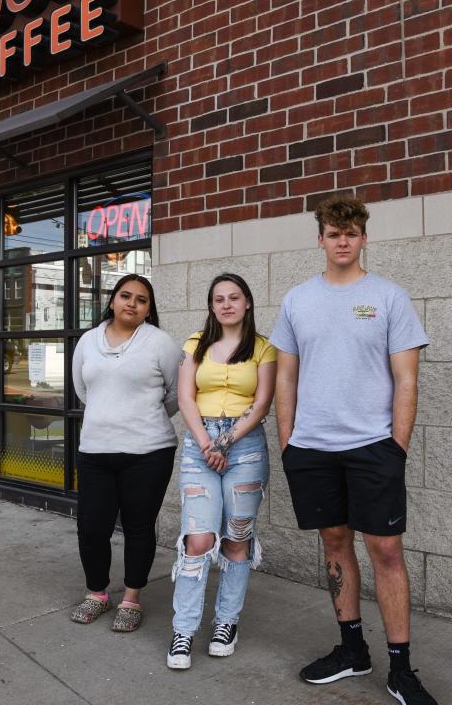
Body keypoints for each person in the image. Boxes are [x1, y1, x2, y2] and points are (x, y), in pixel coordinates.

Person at [270, 195, 436, 705]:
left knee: (385, 549)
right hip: (312, 448)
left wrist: (396, 448)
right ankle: (351, 650)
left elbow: (406, 379)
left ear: (364, 238)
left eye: (352, 233)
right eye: (333, 233)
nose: (343, 241)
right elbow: (286, 376)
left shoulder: (389, 297)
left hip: (372, 446)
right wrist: (289, 443)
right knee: (334, 542)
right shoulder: (298, 300)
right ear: (319, 239)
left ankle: (401, 668)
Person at [166, 273, 276, 670]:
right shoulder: (195, 344)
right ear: (211, 305)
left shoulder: (263, 348)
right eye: (218, 299)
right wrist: (208, 443)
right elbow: (184, 396)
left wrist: (226, 442)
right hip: (200, 446)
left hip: (245, 447)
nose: (226, 304)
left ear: (247, 302)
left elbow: (262, 403)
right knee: (198, 539)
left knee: (236, 539)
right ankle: (183, 630)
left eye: (234, 297)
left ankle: (225, 623)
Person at [70, 273, 181, 632]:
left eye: (142, 299)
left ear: (149, 308)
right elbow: (83, 389)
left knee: (138, 527)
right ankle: (97, 594)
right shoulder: (87, 341)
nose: (132, 303)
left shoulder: (160, 342)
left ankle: (131, 599)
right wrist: (112, 415)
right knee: (91, 527)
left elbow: (177, 394)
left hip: (148, 452)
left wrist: (141, 417)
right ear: (113, 300)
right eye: (125, 295)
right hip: (96, 450)